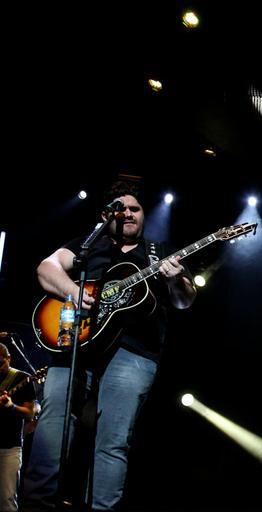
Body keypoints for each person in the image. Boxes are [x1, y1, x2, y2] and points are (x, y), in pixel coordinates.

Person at [23, 180, 197, 511]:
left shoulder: (159, 253)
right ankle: (36, 504)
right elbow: (46, 268)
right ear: (108, 215)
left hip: (134, 351)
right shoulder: (89, 246)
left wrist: (175, 279)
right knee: (52, 424)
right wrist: (74, 293)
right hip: (76, 345)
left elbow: (184, 301)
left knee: (112, 442)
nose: (128, 214)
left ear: (144, 214)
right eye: (121, 209)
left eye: (135, 208)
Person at [0, 344, 37, 512]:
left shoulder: (22, 378)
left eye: (0, 363)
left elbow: (30, 413)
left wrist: (11, 406)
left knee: (7, 500)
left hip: (9, 447)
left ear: (8, 358)